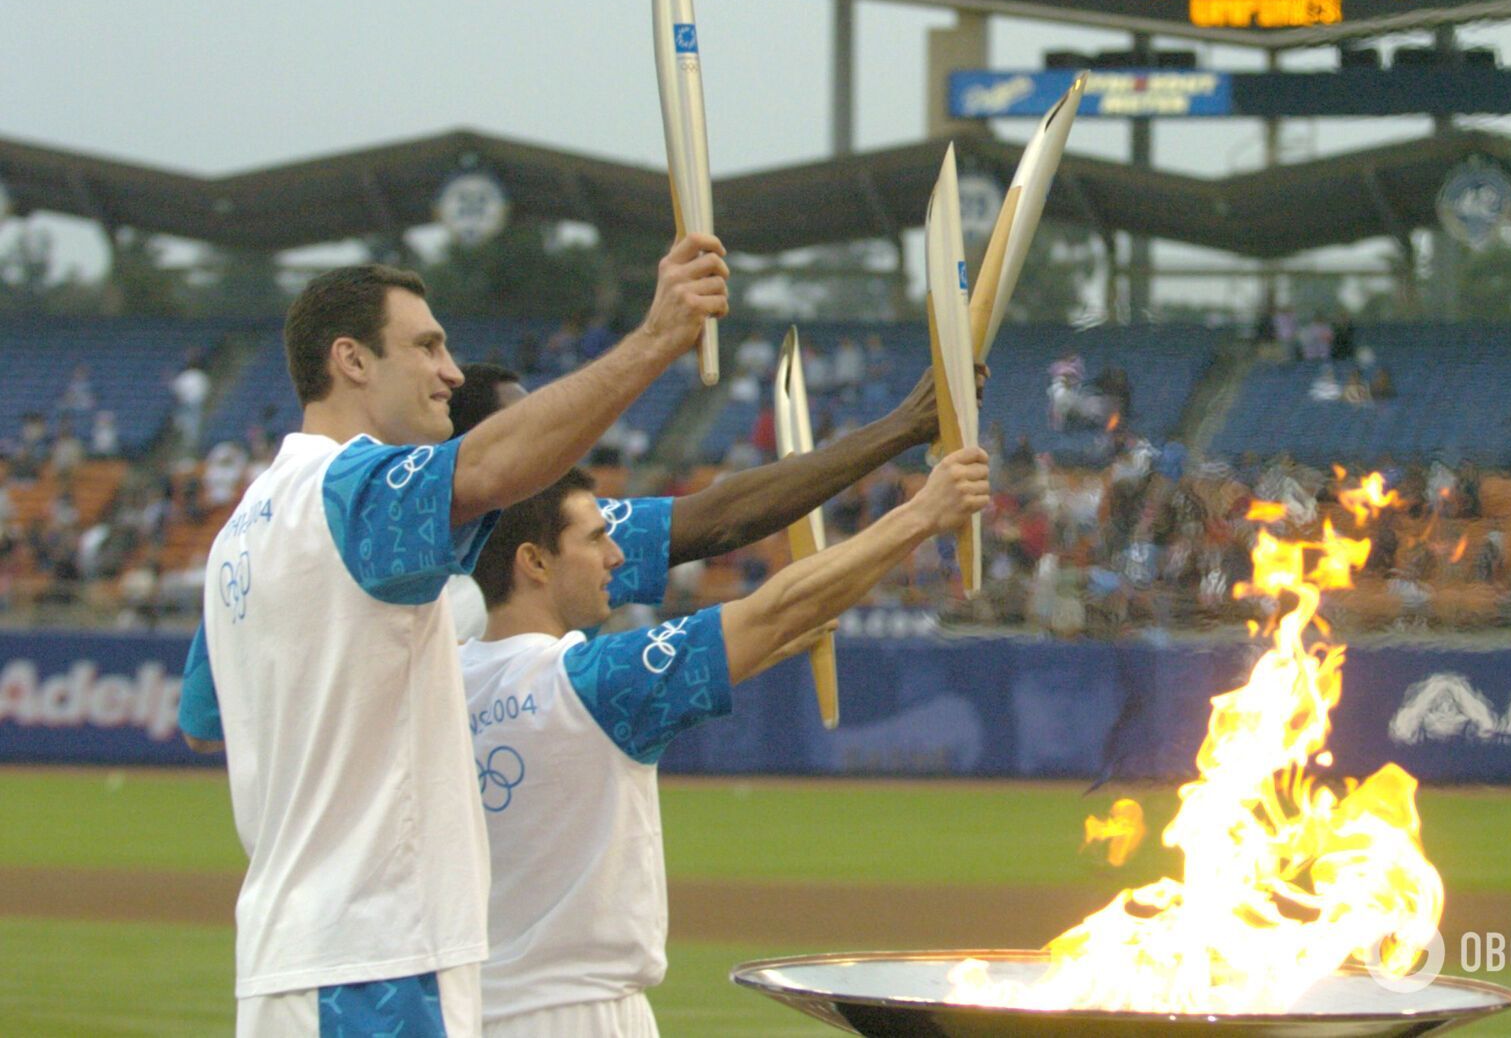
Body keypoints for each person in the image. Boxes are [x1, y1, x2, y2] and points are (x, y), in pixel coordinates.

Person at [176, 237, 727, 1036]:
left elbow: (203, 725)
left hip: (293, 958)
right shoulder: (349, 491)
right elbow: (493, 469)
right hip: (373, 962)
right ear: (352, 361)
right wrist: (656, 340)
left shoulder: (243, 528)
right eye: (427, 346)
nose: (452, 372)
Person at [462, 451, 988, 1035]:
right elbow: (778, 608)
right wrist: (922, 515)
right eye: (596, 540)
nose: (616, 556)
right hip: (576, 1016)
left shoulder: (442, 681)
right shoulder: (591, 683)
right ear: (534, 561)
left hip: (469, 1008)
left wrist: (762, 641)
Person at [441, 357, 967, 644]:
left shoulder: (553, 534)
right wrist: (901, 436)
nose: (548, 439)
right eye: (522, 428)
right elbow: (722, 520)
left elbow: (725, 521)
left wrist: (773, 639)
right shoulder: (418, 570)